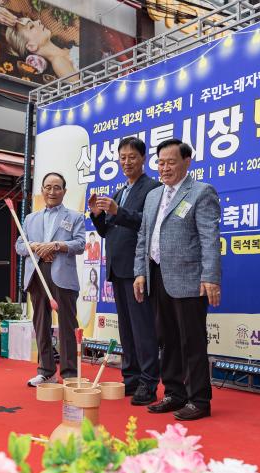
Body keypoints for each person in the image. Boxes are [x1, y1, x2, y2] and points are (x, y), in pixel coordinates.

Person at [133, 138, 221, 421]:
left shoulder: (200, 192)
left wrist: (210, 277)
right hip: (157, 274)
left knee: (191, 340)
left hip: (189, 278)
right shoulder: (152, 196)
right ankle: (173, 392)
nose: (165, 167)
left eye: (171, 162)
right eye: (160, 162)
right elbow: (143, 238)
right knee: (166, 338)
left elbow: (210, 239)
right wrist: (140, 272)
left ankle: (199, 399)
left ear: (187, 162)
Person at [90, 137, 161, 405]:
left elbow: (148, 223)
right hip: (118, 268)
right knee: (127, 329)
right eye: (122, 157)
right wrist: (96, 214)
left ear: (143, 159)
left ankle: (148, 382)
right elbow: (108, 229)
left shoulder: (153, 189)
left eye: (132, 157)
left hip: (139, 269)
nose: (126, 162)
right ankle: (130, 378)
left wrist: (119, 211)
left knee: (143, 328)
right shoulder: (120, 191)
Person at [16, 172, 85, 386]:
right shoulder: (30, 218)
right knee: (41, 322)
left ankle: (70, 373)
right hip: (37, 273)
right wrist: (35, 247)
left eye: (57, 187)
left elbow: (81, 244)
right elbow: (19, 246)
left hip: (62, 275)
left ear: (64, 191)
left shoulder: (74, 217)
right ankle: (46, 370)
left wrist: (57, 246)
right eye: (48, 187)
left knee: (67, 324)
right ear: (42, 190)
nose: (52, 191)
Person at [5, 18, 78, 80]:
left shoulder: (68, 48)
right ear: (31, 46)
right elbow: (84, 93)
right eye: (31, 26)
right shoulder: (58, 62)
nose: (38, 21)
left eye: (33, 21)